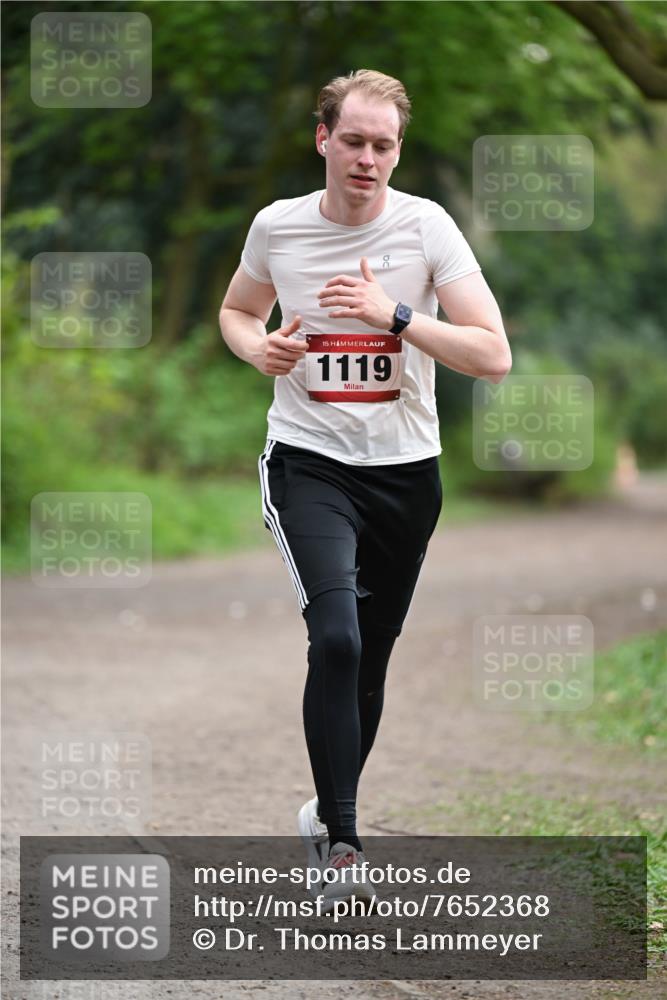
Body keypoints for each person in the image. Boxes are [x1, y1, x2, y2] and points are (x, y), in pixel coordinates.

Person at [219, 68, 511, 909]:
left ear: (396, 152)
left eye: (383, 145)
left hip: (405, 475)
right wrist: (257, 348)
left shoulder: (427, 229)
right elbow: (237, 311)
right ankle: (343, 845)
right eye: (353, 140)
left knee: (370, 659)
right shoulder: (278, 227)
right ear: (323, 139)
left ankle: (323, 804)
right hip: (308, 460)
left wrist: (393, 314)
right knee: (337, 638)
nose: (368, 158)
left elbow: (491, 355)